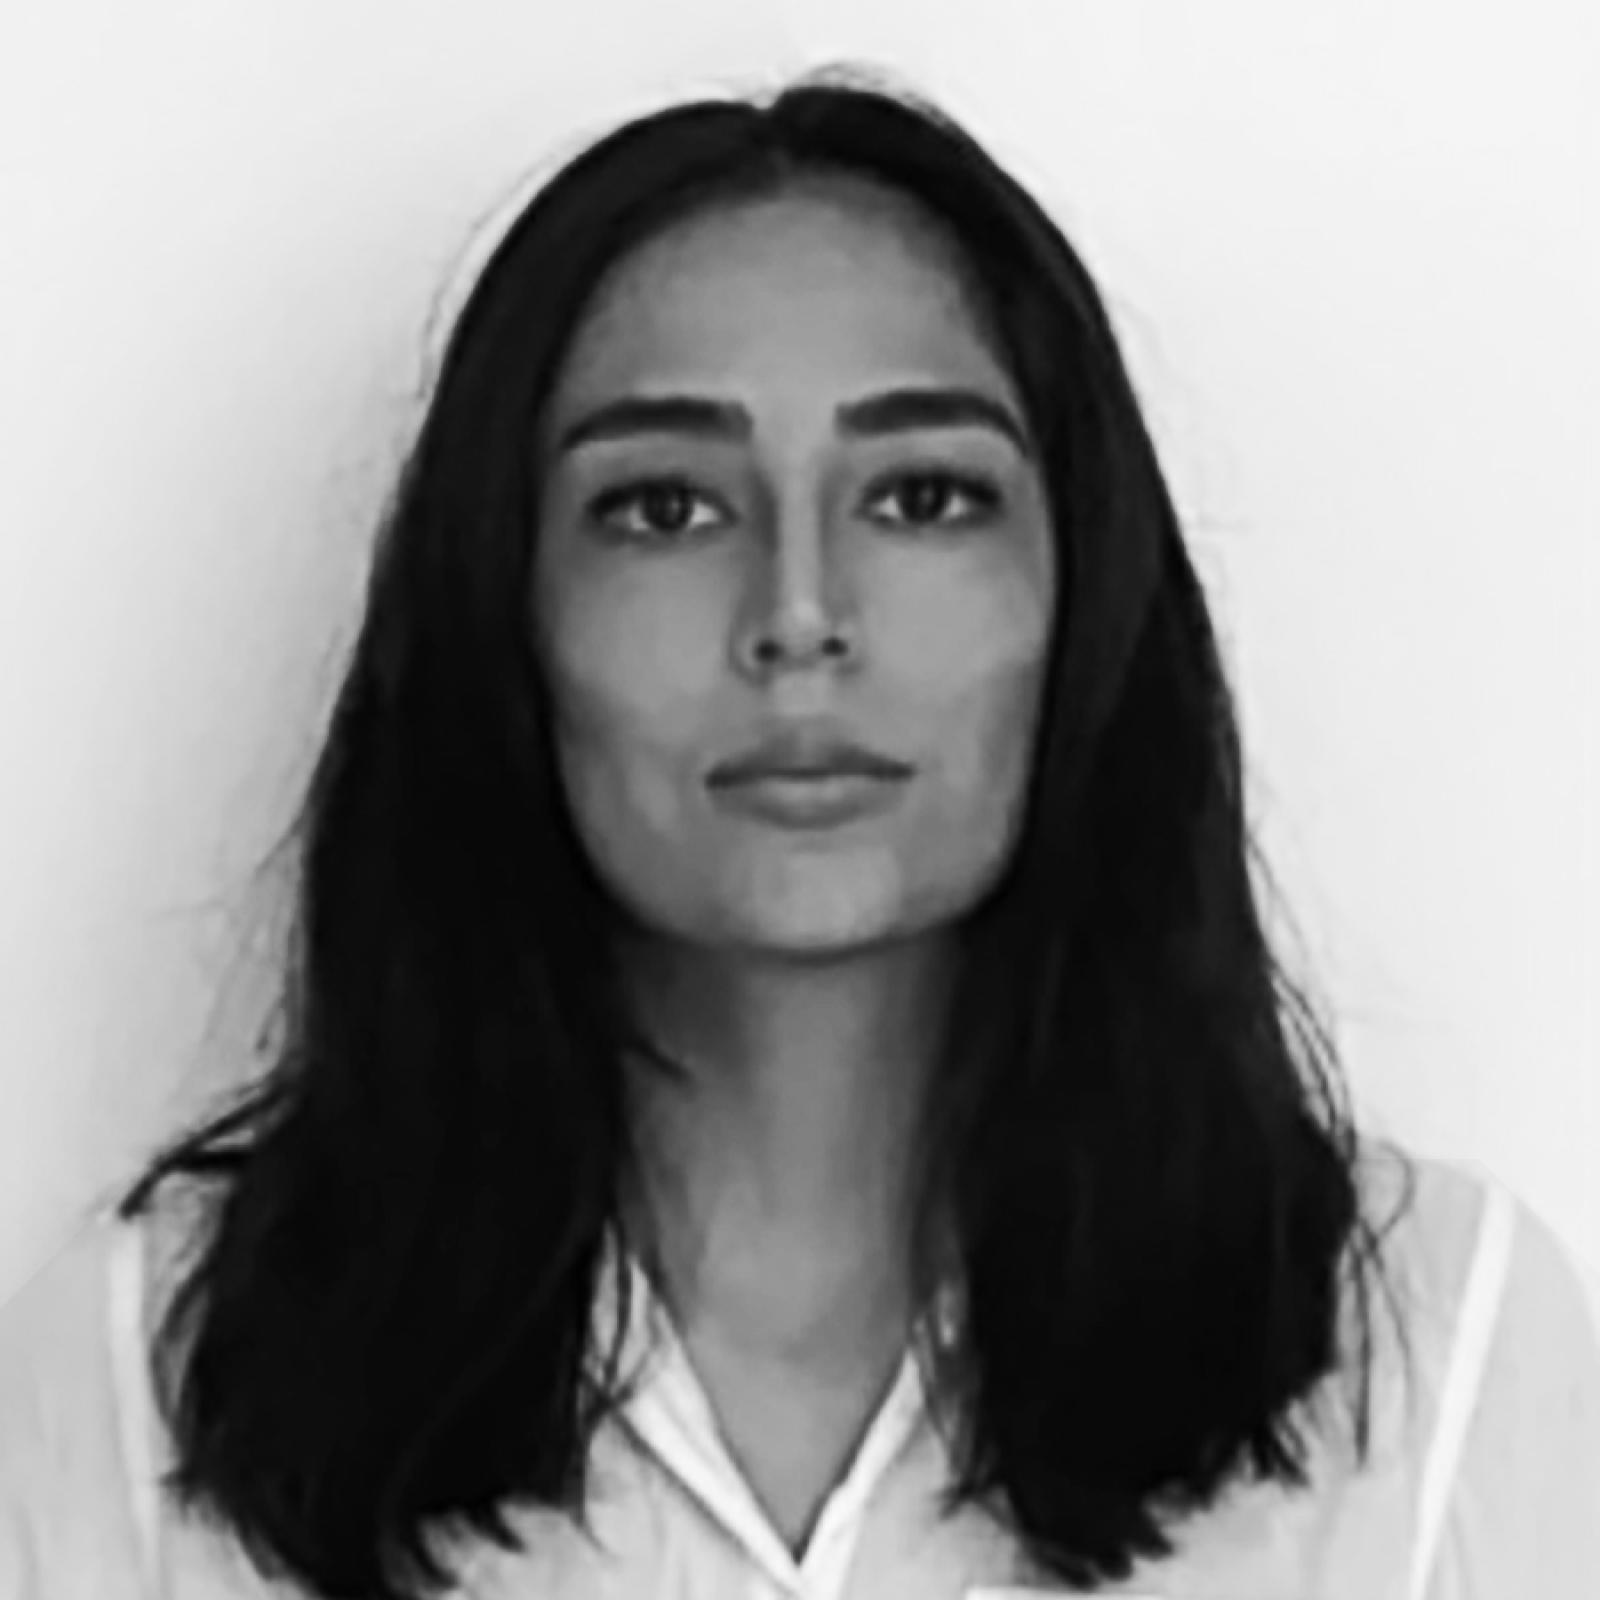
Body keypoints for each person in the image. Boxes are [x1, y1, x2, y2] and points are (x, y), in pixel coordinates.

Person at [2, 60, 1597, 1600]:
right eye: (665, 508)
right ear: (506, 617)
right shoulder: (149, 1364)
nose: (800, 614)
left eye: (919, 497)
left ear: (1086, 597)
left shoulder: (1437, 1351)